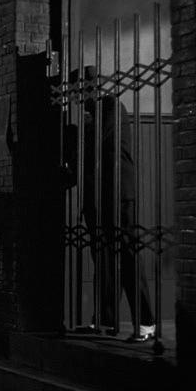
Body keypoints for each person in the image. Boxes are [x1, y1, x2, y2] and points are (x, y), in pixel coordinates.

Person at [77, 66, 155, 341]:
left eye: (81, 92)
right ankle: (105, 319)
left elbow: (98, 144)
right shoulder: (92, 116)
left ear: (93, 88)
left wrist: (82, 130)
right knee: (104, 257)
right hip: (99, 196)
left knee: (127, 254)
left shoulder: (111, 107)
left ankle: (145, 322)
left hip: (118, 193)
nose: (79, 99)